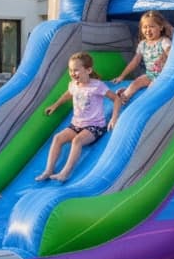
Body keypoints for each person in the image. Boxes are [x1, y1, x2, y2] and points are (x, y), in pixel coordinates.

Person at [37, 52, 122, 182]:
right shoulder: (73, 84)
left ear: (88, 70)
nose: (72, 73)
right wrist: (55, 105)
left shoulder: (97, 85)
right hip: (76, 125)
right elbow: (68, 94)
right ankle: (48, 170)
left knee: (77, 141)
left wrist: (114, 117)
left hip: (94, 126)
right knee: (57, 138)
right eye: (70, 70)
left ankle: (65, 173)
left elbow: (116, 99)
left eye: (76, 70)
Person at [113, 10, 174, 103]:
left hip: (162, 76)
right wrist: (122, 76)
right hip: (150, 75)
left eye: (151, 26)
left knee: (151, 89)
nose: (148, 30)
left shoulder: (164, 41)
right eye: (145, 27)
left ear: (161, 27)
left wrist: (164, 57)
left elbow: (172, 55)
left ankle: (142, 103)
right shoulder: (143, 44)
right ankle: (124, 96)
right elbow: (135, 62)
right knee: (137, 82)